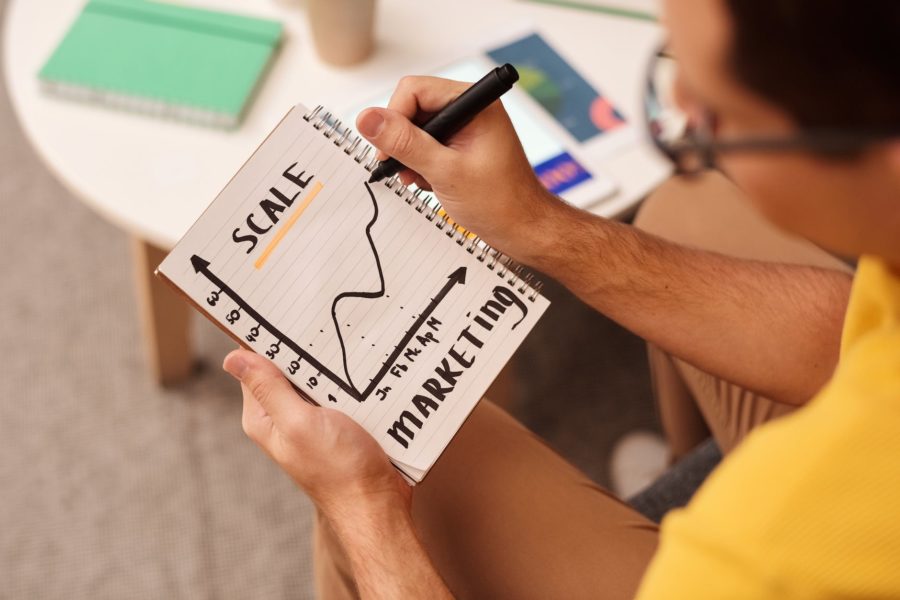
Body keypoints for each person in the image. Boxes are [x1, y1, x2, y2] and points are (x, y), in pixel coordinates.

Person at [221, 0, 900, 597]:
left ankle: (676, 499)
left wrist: (362, 510)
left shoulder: (766, 561)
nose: (682, 118)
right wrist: (537, 224)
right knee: (687, 202)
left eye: (716, 112)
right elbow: (856, 338)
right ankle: (683, 472)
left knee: (393, 453)